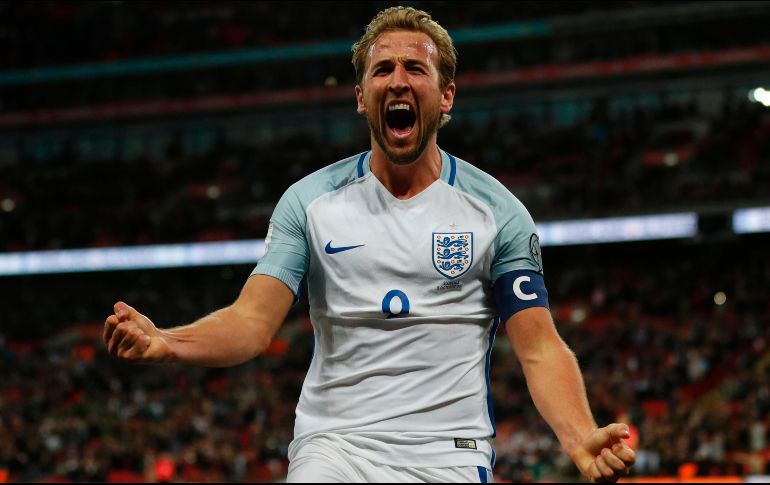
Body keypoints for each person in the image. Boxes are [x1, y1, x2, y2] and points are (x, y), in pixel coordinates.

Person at [103, 6, 635, 483]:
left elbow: (539, 347)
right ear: (362, 97)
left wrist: (578, 436)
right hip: (335, 448)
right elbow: (250, 323)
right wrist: (168, 343)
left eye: (415, 69)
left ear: (445, 95)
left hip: (447, 455)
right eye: (382, 70)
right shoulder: (310, 203)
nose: (397, 81)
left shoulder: (497, 213)